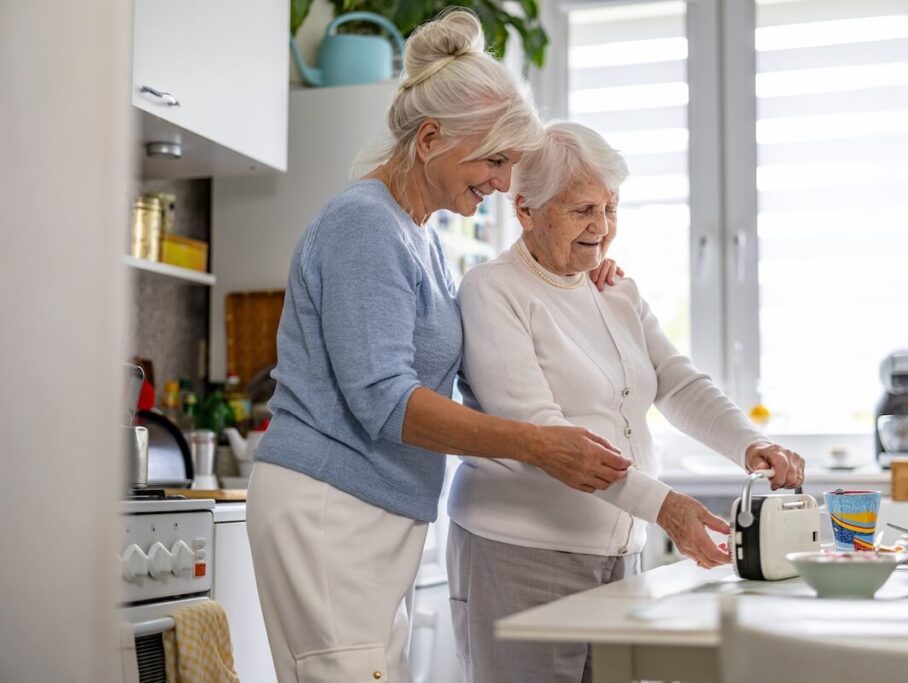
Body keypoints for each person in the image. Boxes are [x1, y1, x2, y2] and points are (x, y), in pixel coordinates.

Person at [245, 13, 632, 683]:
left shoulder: (417, 234)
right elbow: (384, 400)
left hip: (371, 510)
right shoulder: (364, 223)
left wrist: (579, 265)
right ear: (429, 139)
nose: (506, 182)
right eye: (496, 159)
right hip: (329, 507)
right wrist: (537, 443)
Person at [448, 121, 806, 683]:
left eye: (611, 209)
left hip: (619, 556)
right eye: (582, 210)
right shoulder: (493, 291)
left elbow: (677, 382)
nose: (602, 228)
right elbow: (542, 433)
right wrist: (665, 506)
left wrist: (750, 443)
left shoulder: (615, 290)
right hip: (519, 553)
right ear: (525, 209)